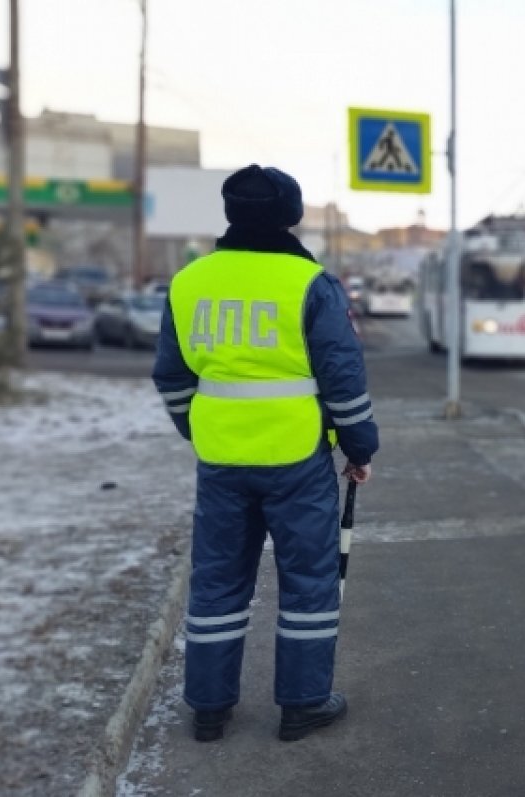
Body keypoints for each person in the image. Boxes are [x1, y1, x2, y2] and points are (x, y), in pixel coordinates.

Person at [152, 164, 379, 743]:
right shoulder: (311, 285)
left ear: (230, 214)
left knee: (218, 580)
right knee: (308, 581)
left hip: (222, 460)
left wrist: (196, 430)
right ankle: (303, 705)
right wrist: (359, 447)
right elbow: (343, 378)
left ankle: (208, 709)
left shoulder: (190, 282)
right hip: (297, 460)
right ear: (291, 217)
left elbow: (172, 377)